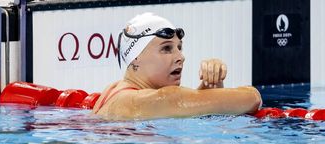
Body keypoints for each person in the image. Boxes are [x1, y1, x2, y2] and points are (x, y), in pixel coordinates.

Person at [93, 12, 262, 120]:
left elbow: (190, 111)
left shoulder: (115, 91)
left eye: (179, 48)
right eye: (166, 48)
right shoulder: (136, 101)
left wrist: (211, 85)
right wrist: (251, 94)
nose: (181, 57)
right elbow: (251, 99)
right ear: (135, 57)